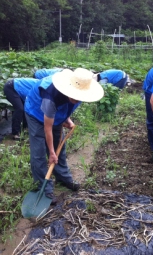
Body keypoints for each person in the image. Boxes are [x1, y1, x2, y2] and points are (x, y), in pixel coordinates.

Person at [24, 68, 104, 204]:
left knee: (60, 145)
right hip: (36, 113)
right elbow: (47, 128)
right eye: (75, 95)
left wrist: (67, 119)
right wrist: (51, 152)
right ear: (69, 89)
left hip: (55, 114)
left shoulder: (82, 90)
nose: (77, 99)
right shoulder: (51, 95)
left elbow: (68, 106)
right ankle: (44, 188)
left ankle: (63, 177)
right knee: (39, 152)